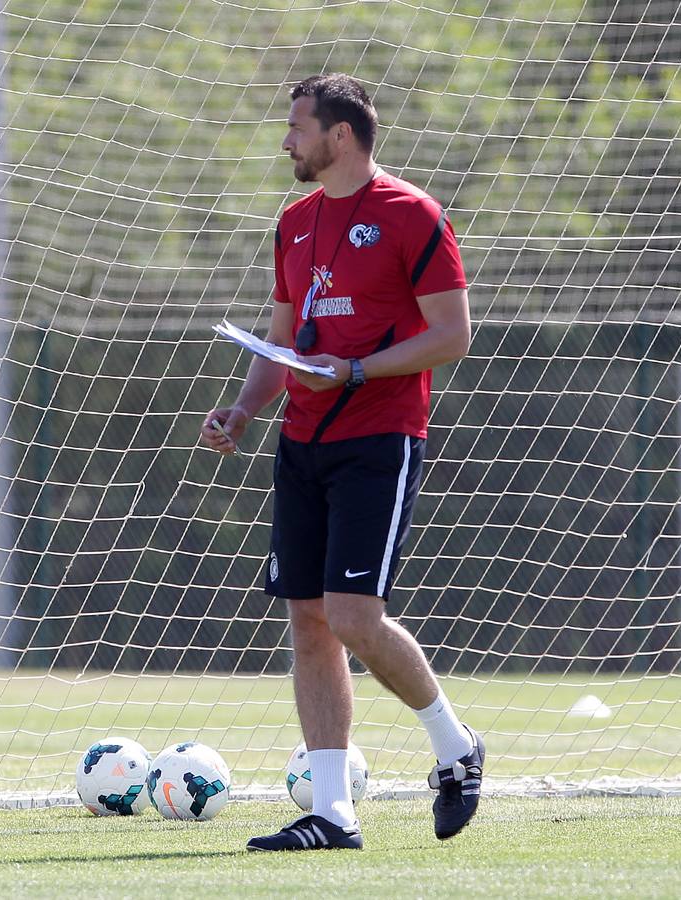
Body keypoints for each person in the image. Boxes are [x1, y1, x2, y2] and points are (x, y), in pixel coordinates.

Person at [200, 73, 480, 851]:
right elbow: (284, 336)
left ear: (341, 136)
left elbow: (452, 335)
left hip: (379, 438)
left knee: (355, 617)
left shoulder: (411, 214)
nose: (286, 141)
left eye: (297, 127)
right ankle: (332, 813)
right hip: (301, 439)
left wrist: (357, 372)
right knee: (310, 623)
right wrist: (245, 409)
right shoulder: (293, 222)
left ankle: (456, 750)